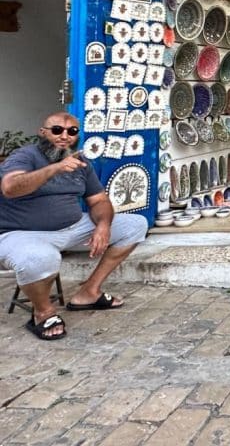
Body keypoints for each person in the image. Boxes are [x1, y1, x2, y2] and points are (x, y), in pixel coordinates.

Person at [0, 111, 148, 340]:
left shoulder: (80, 162)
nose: (64, 136)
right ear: (43, 133)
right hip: (21, 233)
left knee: (135, 225)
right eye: (57, 130)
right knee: (40, 258)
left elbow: (98, 200)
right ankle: (43, 312)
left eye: (72, 131)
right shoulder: (25, 156)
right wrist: (54, 168)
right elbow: (11, 188)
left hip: (72, 227)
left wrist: (103, 225)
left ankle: (89, 292)